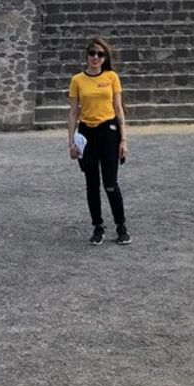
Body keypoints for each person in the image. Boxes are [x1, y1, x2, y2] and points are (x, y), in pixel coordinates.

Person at [67, 37, 131, 245]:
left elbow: (119, 109)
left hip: (109, 132)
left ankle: (121, 225)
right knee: (91, 184)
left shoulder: (112, 77)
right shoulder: (77, 80)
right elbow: (73, 112)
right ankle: (97, 226)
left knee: (111, 184)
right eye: (92, 53)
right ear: (87, 55)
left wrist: (124, 139)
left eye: (100, 54)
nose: (95, 57)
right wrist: (71, 143)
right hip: (87, 134)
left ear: (105, 58)